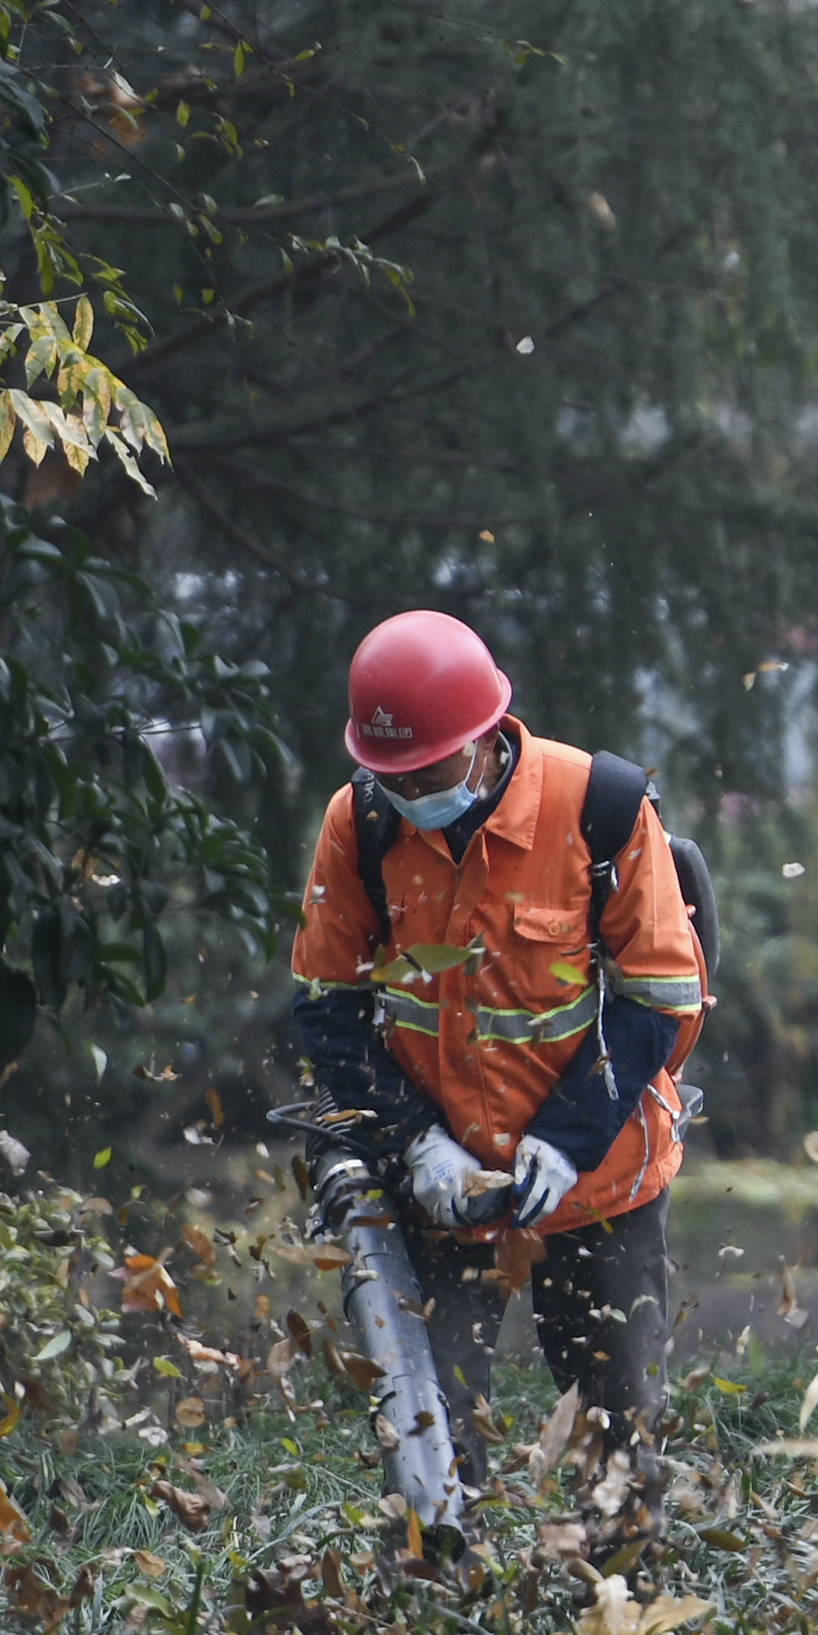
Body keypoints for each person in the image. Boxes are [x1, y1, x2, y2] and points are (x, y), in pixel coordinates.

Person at [286, 610, 708, 1517]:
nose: (404, 792)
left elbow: (660, 999)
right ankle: (451, 1606)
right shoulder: (358, 822)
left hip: (599, 1185)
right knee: (429, 1432)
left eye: (423, 771)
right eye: (386, 773)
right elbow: (328, 1008)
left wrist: (567, 1140)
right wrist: (413, 1145)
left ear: (482, 741)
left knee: (620, 1430)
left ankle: (621, 1607)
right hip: (439, 1189)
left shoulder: (599, 808)